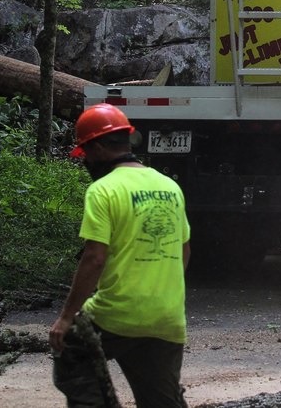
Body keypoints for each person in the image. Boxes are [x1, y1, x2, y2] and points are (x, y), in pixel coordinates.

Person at [49, 103, 191, 408]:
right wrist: (160, 294)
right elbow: (184, 250)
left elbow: (95, 258)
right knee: (161, 402)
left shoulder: (103, 190)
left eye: (86, 154)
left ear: (98, 148)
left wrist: (66, 316)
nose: (86, 161)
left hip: (116, 315)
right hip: (168, 318)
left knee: (70, 344)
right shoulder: (170, 187)